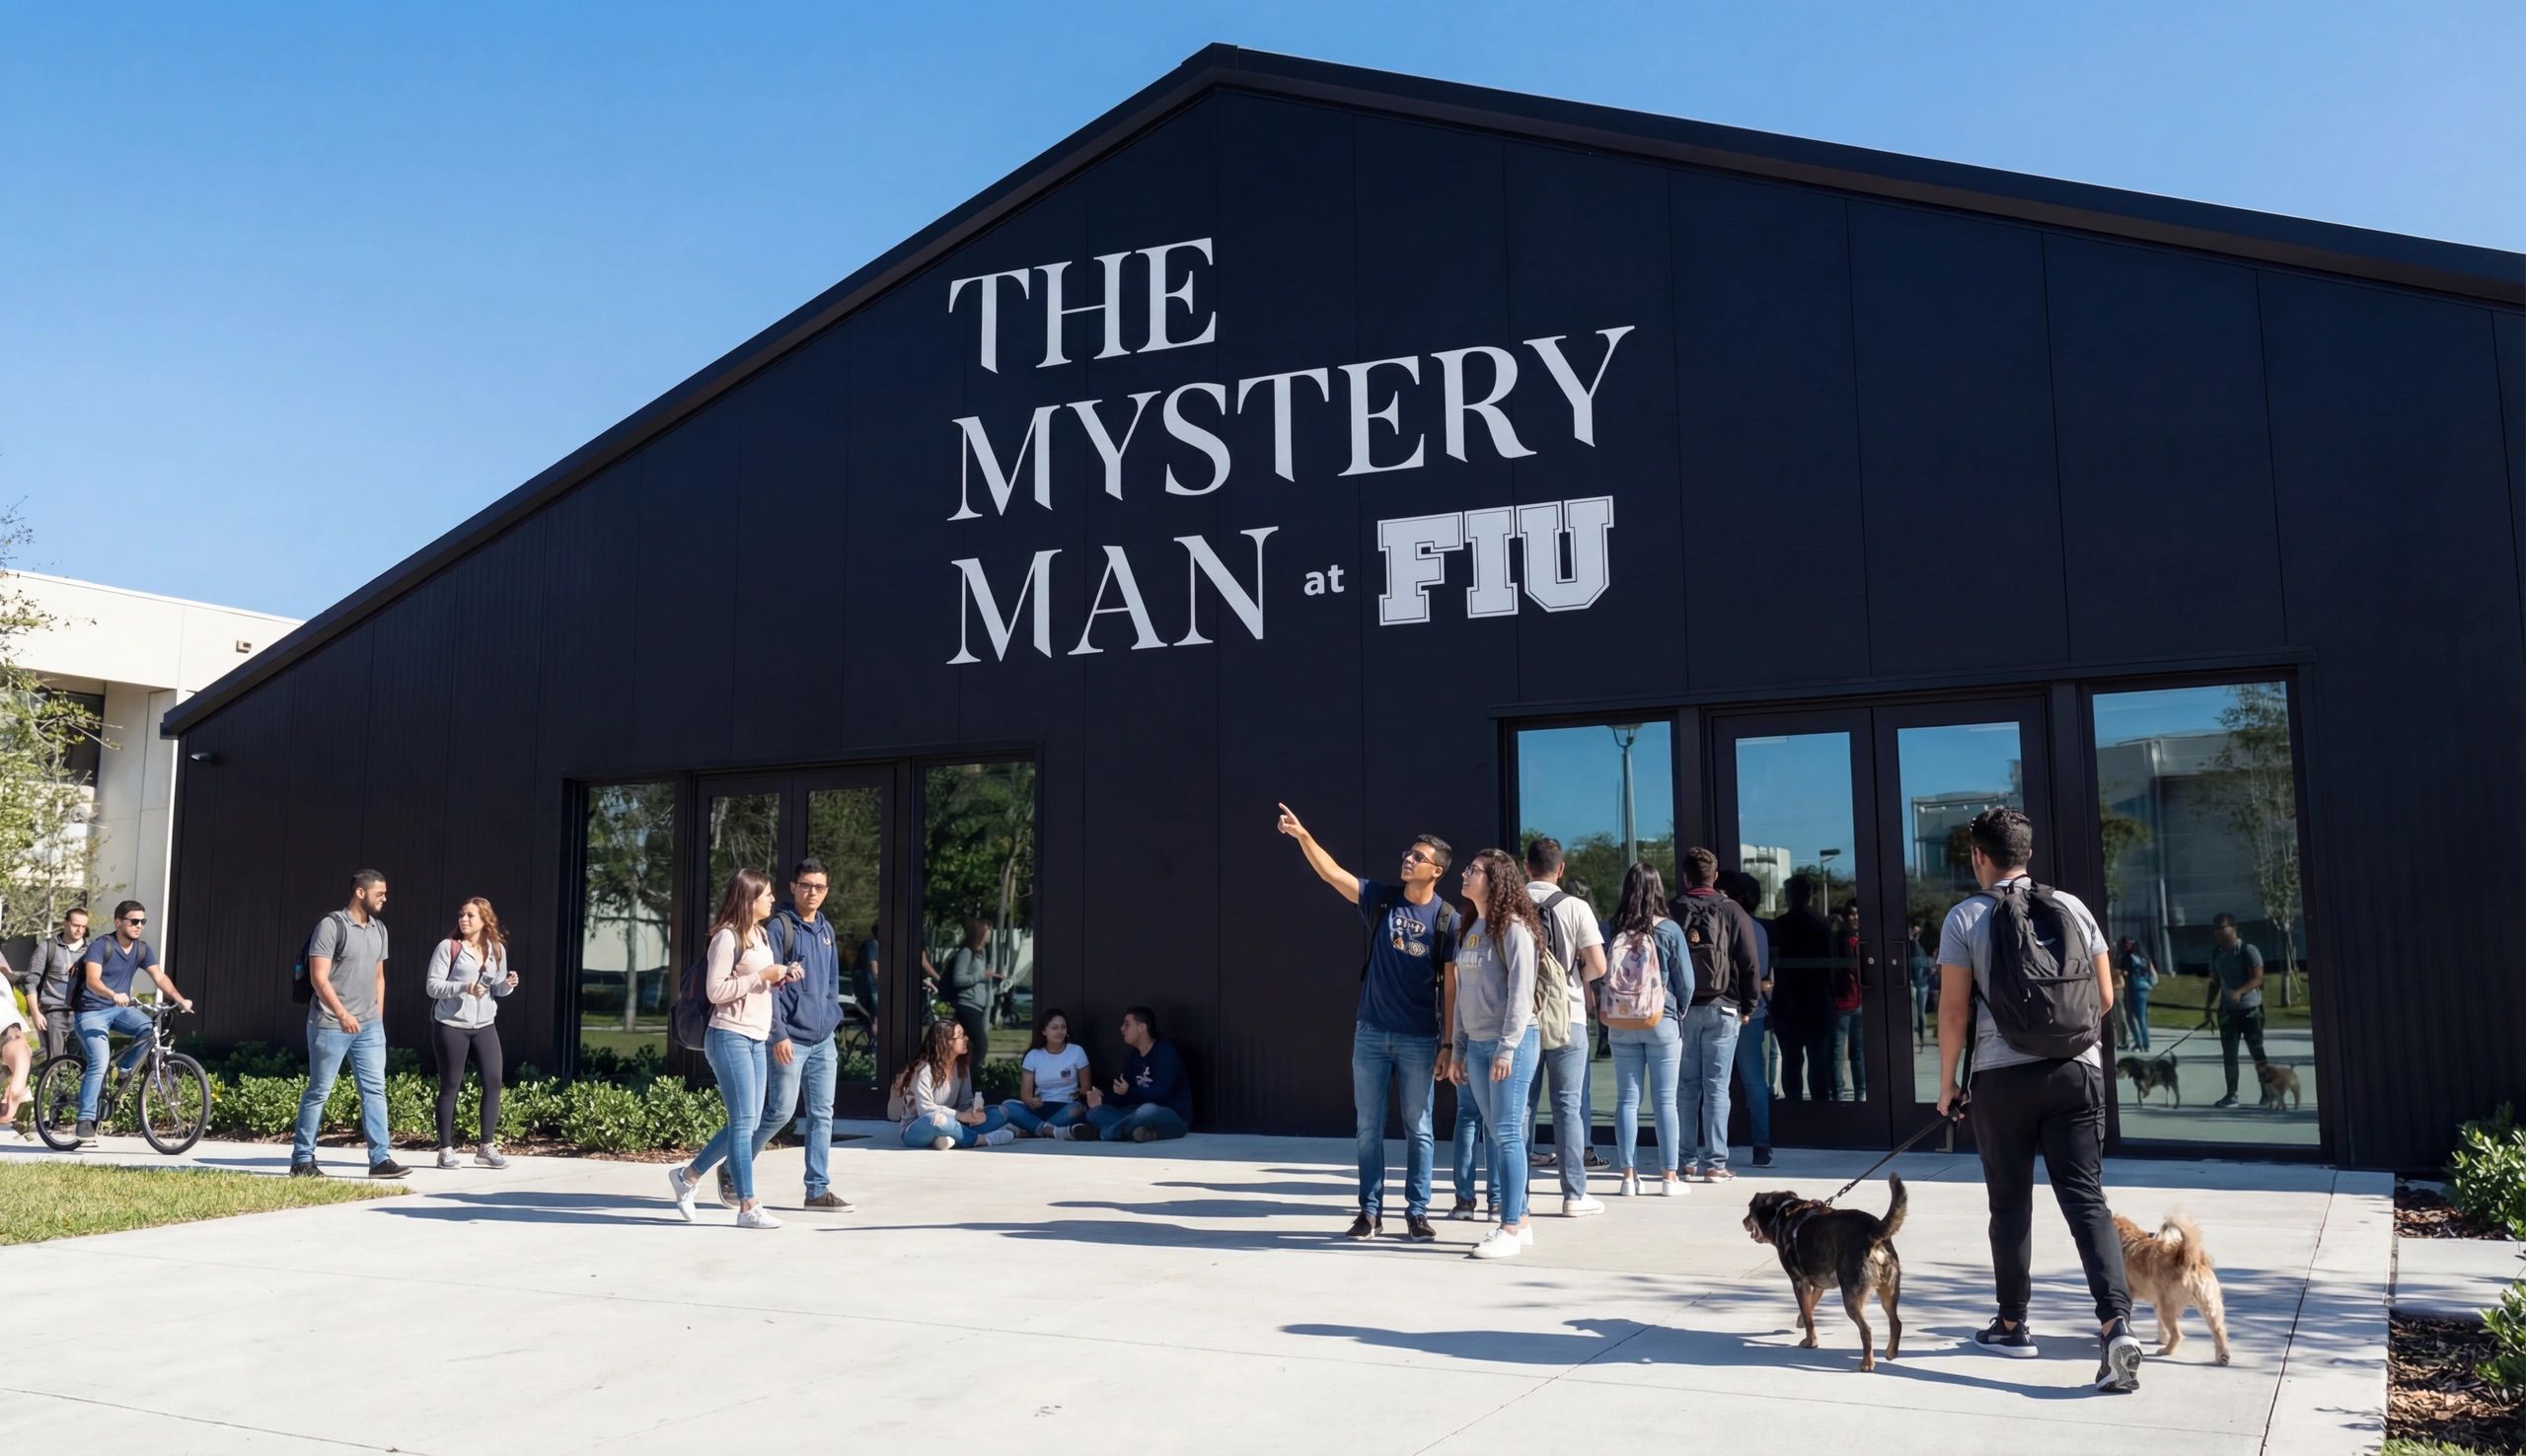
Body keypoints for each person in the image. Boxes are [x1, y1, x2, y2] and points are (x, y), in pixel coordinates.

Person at [1933, 806, 2142, 1394]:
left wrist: (1948, 1083)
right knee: (2086, 1199)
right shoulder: (2073, 907)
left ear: (1979, 857)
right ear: (2027, 854)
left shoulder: (1965, 917)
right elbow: (2104, 997)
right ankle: (2116, 1325)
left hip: (2003, 1079)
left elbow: (1953, 1011)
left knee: (2009, 1203)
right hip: (2077, 1073)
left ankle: (2012, 1324)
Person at [1277, 803, 1457, 1243]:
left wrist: (1448, 1043)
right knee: (1367, 1129)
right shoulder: (1382, 899)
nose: (1408, 859)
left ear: (1436, 871)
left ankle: (1417, 1212)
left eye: (1418, 857)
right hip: (1371, 1033)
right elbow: (1332, 874)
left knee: (1420, 1129)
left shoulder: (1448, 919)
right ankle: (1369, 1212)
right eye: (1408, 853)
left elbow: (1452, 990)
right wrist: (1303, 836)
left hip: (1419, 1038)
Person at [665, 868, 803, 1227]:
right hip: (729, 1036)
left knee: (749, 1122)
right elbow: (716, 991)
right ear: (749, 899)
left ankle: (687, 1176)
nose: (772, 899)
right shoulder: (726, 937)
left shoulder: (761, 934)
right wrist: (761, 976)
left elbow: (754, 986)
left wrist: (779, 977)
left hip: (756, 1036)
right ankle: (748, 1206)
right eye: (767, 894)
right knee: (743, 1124)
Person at [723, 860, 849, 1210]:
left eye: (819, 887)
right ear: (793, 887)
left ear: (827, 890)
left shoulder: (826, 929)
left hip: (823, 1040)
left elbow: (832, 982)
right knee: (779, 1112)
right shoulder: (779, 928)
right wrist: (778, 1033)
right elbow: (770, 986)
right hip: (789, 1038)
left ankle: (817, 1190)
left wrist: (832, 1015)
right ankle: (734, 1168)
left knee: (823, 1114)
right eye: (806, 885)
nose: (812, 893)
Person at [1448, 848, 1543, 1261]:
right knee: (1498, 1131)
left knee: (1506, 1132)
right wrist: (1458, 1047)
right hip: (1477, 1044)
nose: (1465, 874)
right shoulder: (1470, 927)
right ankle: (1520, 1219)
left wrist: (1506, 1047)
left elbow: (1522, 993)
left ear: (1495, 880)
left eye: (1474, 870)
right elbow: (1462, 995)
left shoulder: (1514, 927)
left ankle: (1509, 1226)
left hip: (1512, 1044)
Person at [291, 872, 407, 1179]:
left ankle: (380, 1160)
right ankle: (302, 1160)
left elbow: (379, 977)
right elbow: (318, 978)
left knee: (375, 1091)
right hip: (330, 1024)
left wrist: (377, 1019)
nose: (385, 898)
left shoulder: (379, 929)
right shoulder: (331, 926)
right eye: (379, 893)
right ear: (360, 892)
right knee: (319, 1091)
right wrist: (342, 1014)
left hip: (369, 1027)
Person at [1521, 837, 1606, 1216]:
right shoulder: (1576, 907)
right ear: (1561, 868)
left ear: (1526, 866)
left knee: (1521, 1108)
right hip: (1568, 1016)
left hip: (1521, 1017)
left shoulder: (1511, 903)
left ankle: (1514, 1196)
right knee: (1568, 1107)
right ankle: (1574, 1195)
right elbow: (1599, 965)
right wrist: (1572, 980)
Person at [1602, 861, 1690, 1196]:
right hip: (1660, 1020)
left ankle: (1628, 1176)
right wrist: (1677, 1011)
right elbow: (1687, 982)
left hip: (1620, 1022)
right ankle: (1669, 1177)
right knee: (1665, 1101)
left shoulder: (1612, 928)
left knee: (1627, 1100)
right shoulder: (1668, 929)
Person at [76, 900, 194, 1146]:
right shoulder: (101, 946)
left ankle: (125, 1069)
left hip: (119, 1010)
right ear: (118, 922)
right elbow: (92, 980)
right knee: (100, 1061)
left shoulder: (141, 949)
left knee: (149, 1029)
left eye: (142, 921)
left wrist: (180, 999)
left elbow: (159, 976)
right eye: (134, 921)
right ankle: (85, 1120)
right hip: (91, 1011)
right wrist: (113, 994)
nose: (139, 925)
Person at [1673, 847, 1760, 1183]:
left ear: (1685, 877)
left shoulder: (1673, 909)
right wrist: (1749, 1006)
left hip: (1683, 1009)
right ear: (1716, 876)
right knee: (1716, 1087)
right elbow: (1749, 961)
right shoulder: (1732, 910)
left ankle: (1686, 1160)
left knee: (1686, 1087)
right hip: (1724, 1007)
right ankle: (1715, 1163)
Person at [422, 897, 516, 1170]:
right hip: (451, 1025)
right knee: (451, 1085)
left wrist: (508, 984)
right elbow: (432, 986)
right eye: (461, 915)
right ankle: (445, 1150)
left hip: (485, 1025)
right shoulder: (449, 947)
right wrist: (464, 987)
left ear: (485, 920)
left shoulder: (496, 949)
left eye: (470, 915)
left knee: (493, 1082)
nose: (464, 919)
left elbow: (496, 989)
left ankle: (486, 1147)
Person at [1720, 871, 1775, 1169]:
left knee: (1715, 1082)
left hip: (1723, 1008)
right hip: (1751, 1012)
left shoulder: (1719, 924)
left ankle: (1716, 1145)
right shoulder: (1758, 930)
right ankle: (1761, 1145)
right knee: (1755, 1080)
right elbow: (1761, 972)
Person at [1767, 875, 1837, 1103]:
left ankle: (1795, 1109)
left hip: (1789, 1001)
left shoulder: (1780, 925)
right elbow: (1832, 966)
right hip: (1817, 1000)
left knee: (1791, 1060)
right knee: (1818, 1060)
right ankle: (1819, 1109)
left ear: (1789, 896)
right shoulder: (1822, 925)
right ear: (1811, 895)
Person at [892, 1020, 1014, 1148]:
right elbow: (925, 1110)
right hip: (919, 1127)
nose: (966, 1038)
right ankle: (981, 1139)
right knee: (936, 1120)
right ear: (945, 1042)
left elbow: (965, 1102)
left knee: (999, 1113)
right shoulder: (924, 1070)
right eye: (960, 1036)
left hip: (954, 1122)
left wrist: (973, 1112)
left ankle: (948, 1138)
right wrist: (960, 1116)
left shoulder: (961, 1065)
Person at [1083, 1006, 1192, 1142]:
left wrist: (1128, 1092)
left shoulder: (1165, 1053)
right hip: (1136, 1113)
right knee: (1095, 1113)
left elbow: (1160, 1094)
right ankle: (1146, 1133)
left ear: (1142, 1028)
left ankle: (1107, 1133)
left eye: (1127, 1024)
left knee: (1147, 1111)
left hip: (1171, 1116)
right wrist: (1102, 1098)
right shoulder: (1132, 1057)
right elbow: (1124, 1095)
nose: (1121, 1028)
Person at [1003, 1006, 1094, 1139]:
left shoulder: (1076, 1051)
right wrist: (1032, 1101)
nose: (1060, 1031)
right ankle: (1050, 1131)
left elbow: (1086, 1087)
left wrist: (1079, 1091)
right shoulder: (1033, 1055)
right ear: (1044, 1031)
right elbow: (1026, 1094)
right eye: (1054, 1028)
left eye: (1063, 1027)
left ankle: (1032, 1129)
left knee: (1076, 1109)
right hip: (1041, 1107)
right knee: (1008, 1106)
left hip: (1066, 1106)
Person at [2205, 915, 2266, 1108]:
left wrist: (2240, 991)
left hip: (2250, 1010)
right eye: (2215, 928)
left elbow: (2258, 978)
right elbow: (2214, 982)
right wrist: (2208, 1007)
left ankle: (2267, 1093)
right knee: (2229, 1054)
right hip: (2227, 1011)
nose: (2218, 932)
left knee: (2257, 1052)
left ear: (2233, 928)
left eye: (2222, 927)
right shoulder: (2216, 952)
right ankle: (2231, 1094)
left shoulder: (2247, 950)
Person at [17, 906, 89, 1063]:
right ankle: (33, 1071)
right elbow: (31, 982)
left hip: (81, 1013)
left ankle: (34, 1067)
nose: (80, 930)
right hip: (53, 1011)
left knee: (80, 1063)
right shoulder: (47, 947)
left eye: (83, 927)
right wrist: (35, 1013)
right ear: (65, 923)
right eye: (76, 925)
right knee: (55, 1062)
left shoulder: (91, 951)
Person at [935, 914, 1001, 1087]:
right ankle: (964, 1079)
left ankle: (963, 1081)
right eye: (987, 931)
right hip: (967, 1005)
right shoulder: (966, 953)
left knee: (968, 1048)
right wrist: (981, 975)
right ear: (979, 932)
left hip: (978, 1006)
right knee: (980, 1045)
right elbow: (958, 979)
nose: (989, 934)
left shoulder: (981, 954)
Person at [1828, 901, 1867, 1102]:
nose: (1855, 917)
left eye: (1857, 914)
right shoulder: (1848, 941)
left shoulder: (1851, 940)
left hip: (1854, 1002)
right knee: (1846, 1051)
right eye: (1851, 914)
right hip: (1845, 1001)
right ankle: (1849, 1092)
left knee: (1851, 1051)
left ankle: (1851, 1092)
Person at [2118, 938, 2156, 1052]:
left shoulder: (2129, 957)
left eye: (2125, 944)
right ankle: (2146, 1044)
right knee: (2142, 1017)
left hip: (2132, 988)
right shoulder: (2144, 957)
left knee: (2131, 1017)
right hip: (2143, 988)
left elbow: (2125, 970)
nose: (2124, 947)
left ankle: (2139, 1043)